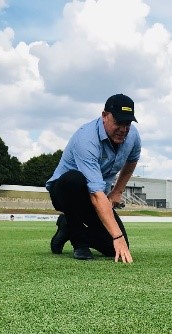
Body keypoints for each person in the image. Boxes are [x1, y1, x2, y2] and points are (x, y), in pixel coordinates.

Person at [46, 94, 141, 263]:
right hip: (65, 192)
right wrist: (116, 235)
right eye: (118, 122)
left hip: (95, 196)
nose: (123, 129)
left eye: (127, 123)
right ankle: (79, 243)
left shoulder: (132, 136)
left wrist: (118, 191)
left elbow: (132, 160)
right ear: (104, 116)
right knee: (74, 180)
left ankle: (66, 226)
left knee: (113, 248)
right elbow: (96, 193)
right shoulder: (86, 139)